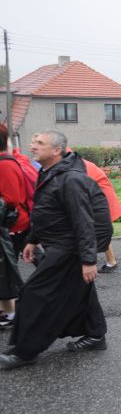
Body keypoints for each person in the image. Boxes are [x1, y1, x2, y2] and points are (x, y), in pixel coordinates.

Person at [0, 131, 112, 370]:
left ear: (57, 150)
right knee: (82, 290)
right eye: (33, 142)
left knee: (35, 294)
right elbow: (48, 211)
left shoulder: (71, 179)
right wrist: (33, 239)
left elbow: (83, 221)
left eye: (40, 143)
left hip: (70, 245)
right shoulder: (51, 172)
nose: (32, 146)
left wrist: (88, 260)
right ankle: (95, 335)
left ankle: (24, 352)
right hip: (63, 240)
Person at [0, 124, 29, 330]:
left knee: (6, 271)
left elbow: (13, 198)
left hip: (13, 226)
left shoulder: (5, 164)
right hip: (10, 225)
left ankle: (12, 313)